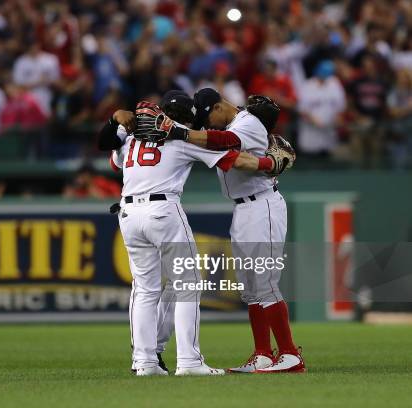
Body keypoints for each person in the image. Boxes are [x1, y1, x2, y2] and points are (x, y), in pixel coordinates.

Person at [99, 90, 289, 376]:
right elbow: (230, 157)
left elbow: (112, 159)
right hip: (163, 210)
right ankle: (189, 361)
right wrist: (269, 163)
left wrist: (118, 121)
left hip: (128, 213)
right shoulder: (180, 137)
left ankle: (145, 361)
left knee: (145, 290)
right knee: (188, 283)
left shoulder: (133, 139)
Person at [149, 88, 304, 373]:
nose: (209, 123)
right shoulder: (232, 124)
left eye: (210, 116)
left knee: (265, 282)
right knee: (250, 288)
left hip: (263, 206)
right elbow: (221, 144)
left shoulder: (247, 122)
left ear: (220, 106)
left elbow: (227, 141)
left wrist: (181, 134)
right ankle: (262, 354)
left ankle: (290, 354)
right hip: (244, 209)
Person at [297, 60, 346, 156]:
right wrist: (313, 119)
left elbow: (341, 106)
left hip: (329, 132)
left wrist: (338, 117)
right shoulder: (307, 86)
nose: (325, 77)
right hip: (310, 134)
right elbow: (301, 109)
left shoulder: (334, 83)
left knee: (327, 159)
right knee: (311, 160)